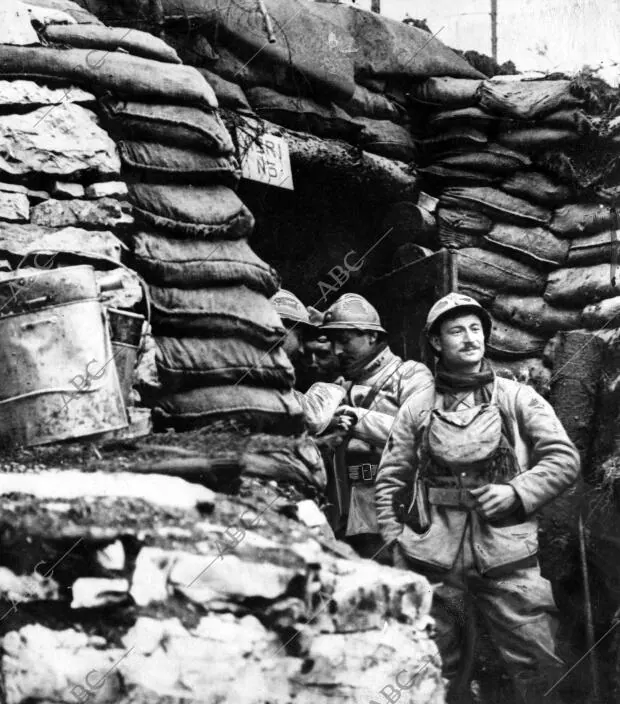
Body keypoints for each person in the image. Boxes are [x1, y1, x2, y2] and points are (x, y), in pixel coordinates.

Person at [375, 292, 580, 704]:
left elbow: (563, 458)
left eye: (475, 330)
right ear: (436, 342)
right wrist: (396, 541)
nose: (470, 339)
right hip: (432, 557)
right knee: (427, 663)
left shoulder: (515, 397)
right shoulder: (417, 407)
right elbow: (390, 480)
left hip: (506, 555)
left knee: (537, 661)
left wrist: (516, 492)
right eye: (456, 331)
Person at [320, 293, 433, 560]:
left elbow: (424, 433)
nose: (336, 351)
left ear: (371, 336)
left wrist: (359, 420)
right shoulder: (341, 386)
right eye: (333, 341)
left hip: (398, 502)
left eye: (344, 340)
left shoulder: (410, 375)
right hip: (351, 504)